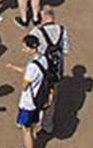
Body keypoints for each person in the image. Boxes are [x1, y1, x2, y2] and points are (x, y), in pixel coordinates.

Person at [26, 9, 69, 137]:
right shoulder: (62, 30)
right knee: (51, 98)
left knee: (35, 96)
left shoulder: (37, 32)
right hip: (55, 71)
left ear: (42, 17)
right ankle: (47, 124)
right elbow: (66, 49)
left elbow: (29, 48)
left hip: (40, 70)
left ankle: (33, 124)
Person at [8, 31, 50, 148]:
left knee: (27, 130)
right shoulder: (42, 59)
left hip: (28, 103)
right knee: (31, 126)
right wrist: (15, 68)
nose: (23, 49)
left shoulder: (32, 66)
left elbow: (25, 84)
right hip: (38, 99)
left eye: (25, 47)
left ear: (32, 48)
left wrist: (22, 83)